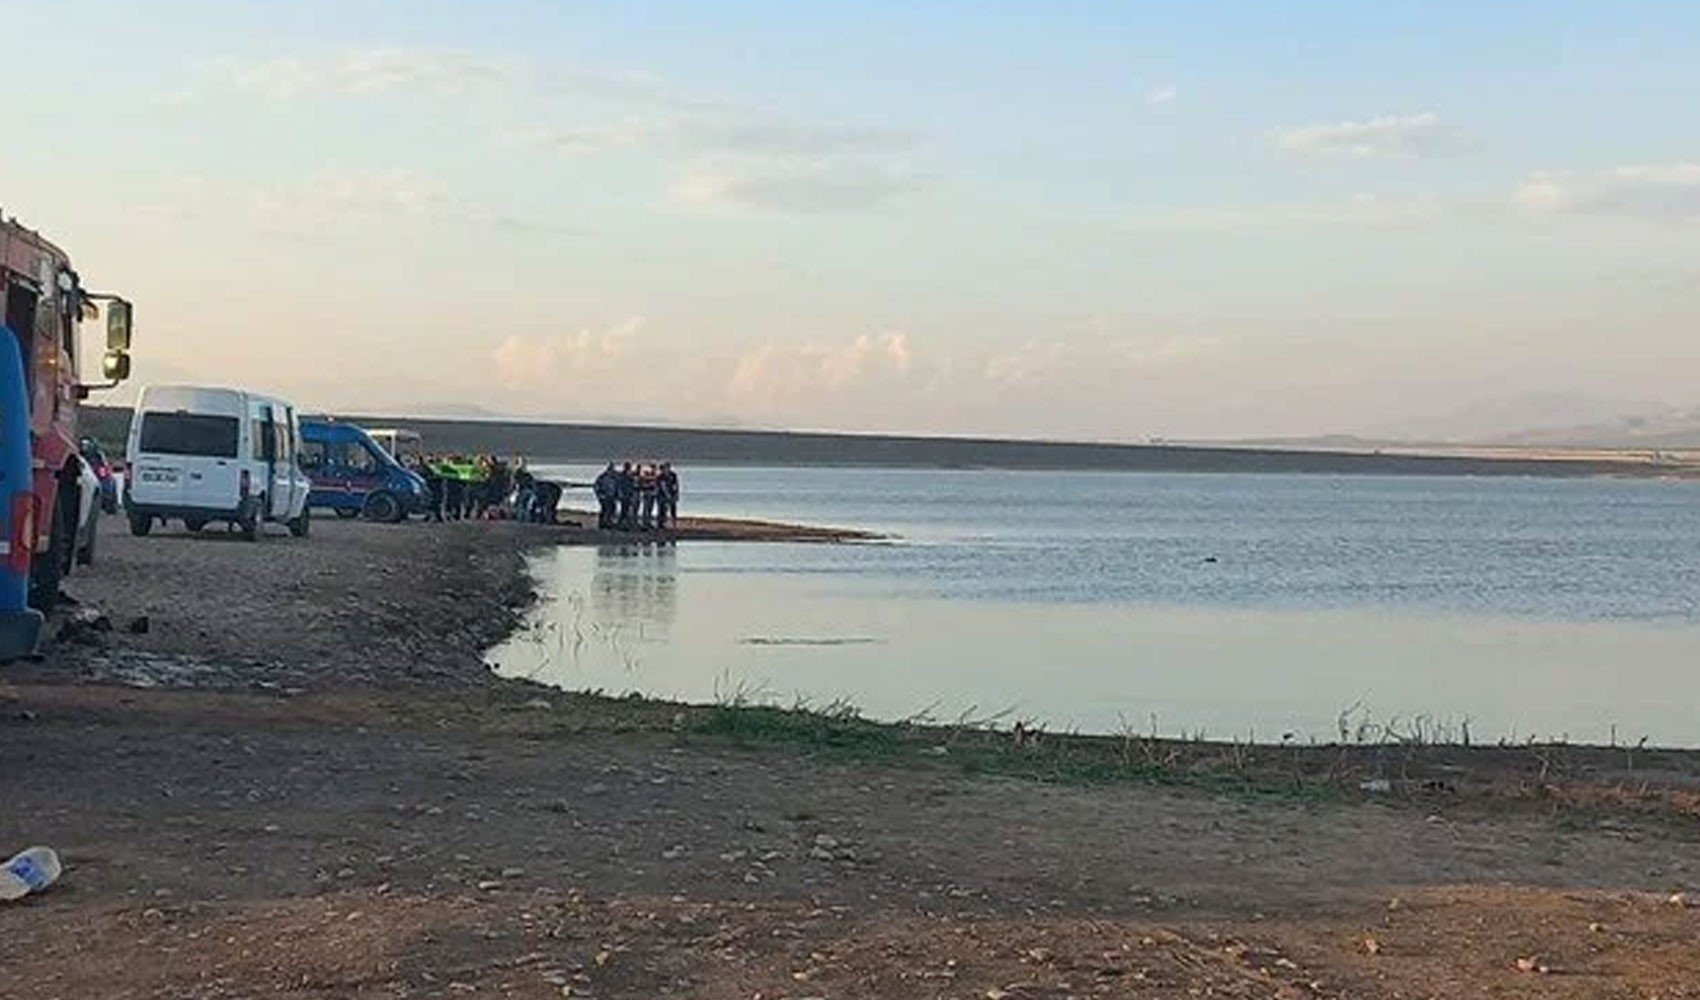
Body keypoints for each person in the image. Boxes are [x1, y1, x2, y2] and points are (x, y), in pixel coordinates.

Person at [593, 463, 618, 529]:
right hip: (604, 496)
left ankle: (608, 522)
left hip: (612, 496)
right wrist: (600, 495)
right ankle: (602, 523)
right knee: (605, 509)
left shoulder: (614, 477)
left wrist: (617, 495)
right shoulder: (602, 477)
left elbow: (617, 486)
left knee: (612, 509)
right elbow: (596, 486)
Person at [637, 463, 659, 530]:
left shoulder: (655, 476)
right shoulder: (647, 476)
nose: (654, 469)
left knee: (650, 509)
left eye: (655, 468)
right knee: (646, 509)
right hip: (647, 494)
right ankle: (645, 523)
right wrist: (649, 485)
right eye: (653, 468)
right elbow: (643, 485)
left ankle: (648, 522)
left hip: (652, 494)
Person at [615, 462, 637, 530]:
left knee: (627, 510)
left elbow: (632, 484)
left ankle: (626, 524)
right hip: (625, 495)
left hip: (628, 494)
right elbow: (620, 485)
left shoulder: (629, 476)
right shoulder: (622, 476)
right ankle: (621, 524)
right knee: (624, 510)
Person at [658, 463, 679, 530]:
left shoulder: (673, 475)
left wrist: (676, 494)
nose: (666, 469)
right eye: (665, 468)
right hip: (663, 495)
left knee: (673, 509)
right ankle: (661, 524)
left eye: (668, 468)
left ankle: (674, 523)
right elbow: (662, 486)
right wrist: (667, 495)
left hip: (672, 494)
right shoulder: (661, 476)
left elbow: (676, 485)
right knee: (662, 509)